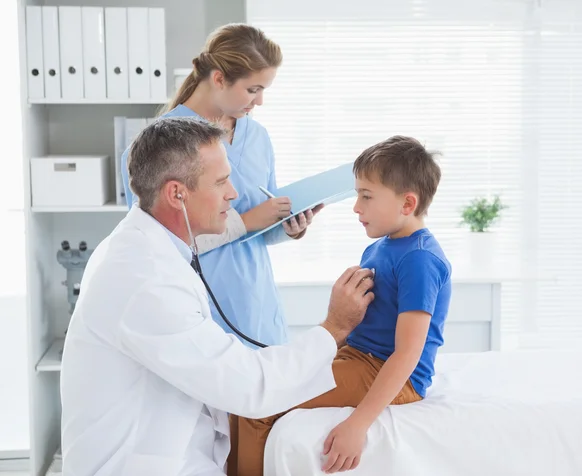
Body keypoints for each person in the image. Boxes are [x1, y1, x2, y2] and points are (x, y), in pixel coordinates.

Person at [60, 117, 375, 476]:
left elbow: (216, 362)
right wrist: (334, 327)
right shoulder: (143, 277)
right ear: (177, 194)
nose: (234, 194)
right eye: (222, 182)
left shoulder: (153, 250)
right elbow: (249, 386)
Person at [231, 136, 452, 476]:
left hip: (385, 372)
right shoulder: (381, 247)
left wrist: (357, 425)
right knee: (249, 388)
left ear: (407, 204)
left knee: (256, 406)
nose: (356, 207)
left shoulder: (419, 259)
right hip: (358, 359)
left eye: (366, 196)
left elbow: (408, 354)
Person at [121, 23, 320, 348]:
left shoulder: (257, 137)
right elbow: (155, 248)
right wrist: (249, 220)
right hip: (198, 313)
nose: (260, 102)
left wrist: (287, 226)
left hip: (258, 310)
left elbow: (260, 225)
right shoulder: (153, 148)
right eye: (253, 89)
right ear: (218, 78)